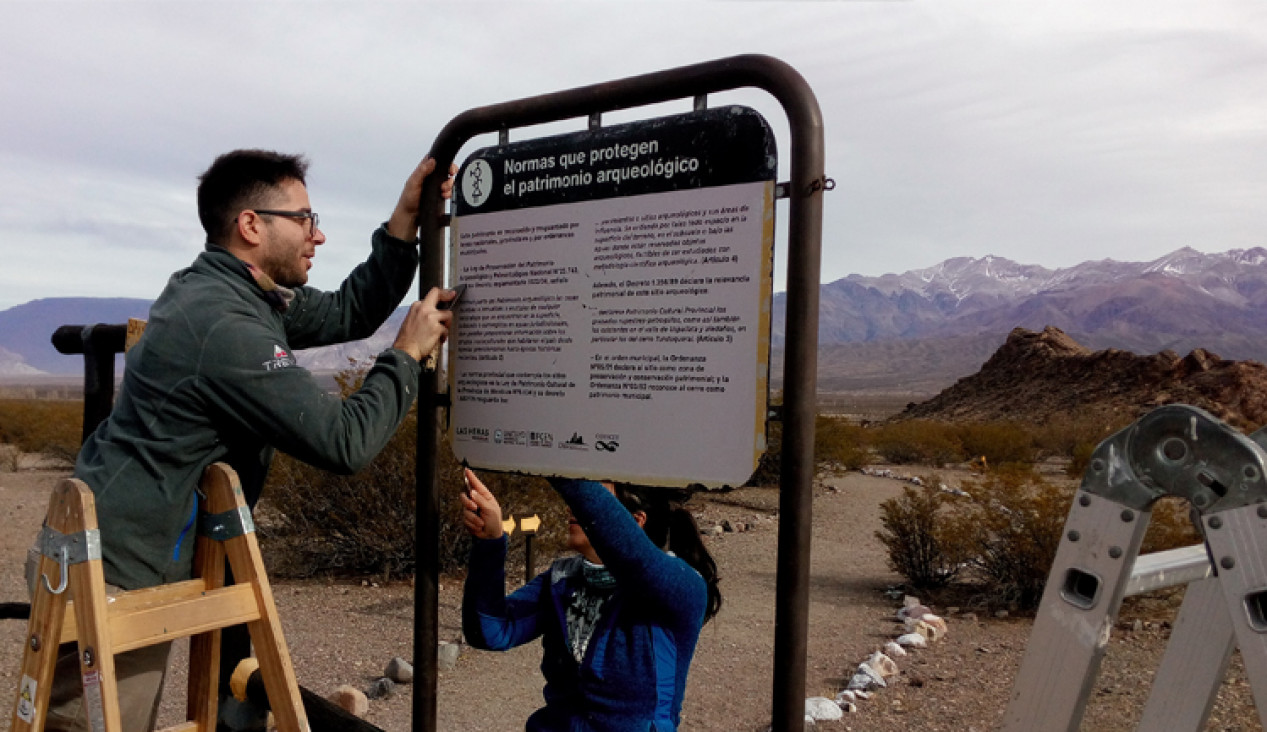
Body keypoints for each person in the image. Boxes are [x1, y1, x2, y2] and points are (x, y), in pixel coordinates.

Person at [30, 149, 456, 732]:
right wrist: (405, 355)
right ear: (252, 225)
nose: (319, 234)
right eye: (304, 219)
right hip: (110, 574)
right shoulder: (225, 324)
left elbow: (348, 310)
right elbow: (344, 442)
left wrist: (404, 218)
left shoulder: (235, 291)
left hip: (129, 554)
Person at [460, 468, 722, 732]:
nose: (574, 506)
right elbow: (490, 631)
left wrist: (554, 456)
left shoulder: (682, 587)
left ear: (635, 520)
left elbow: (637, 561)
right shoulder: (562, 580)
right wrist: (490, 543)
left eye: (593, 492)